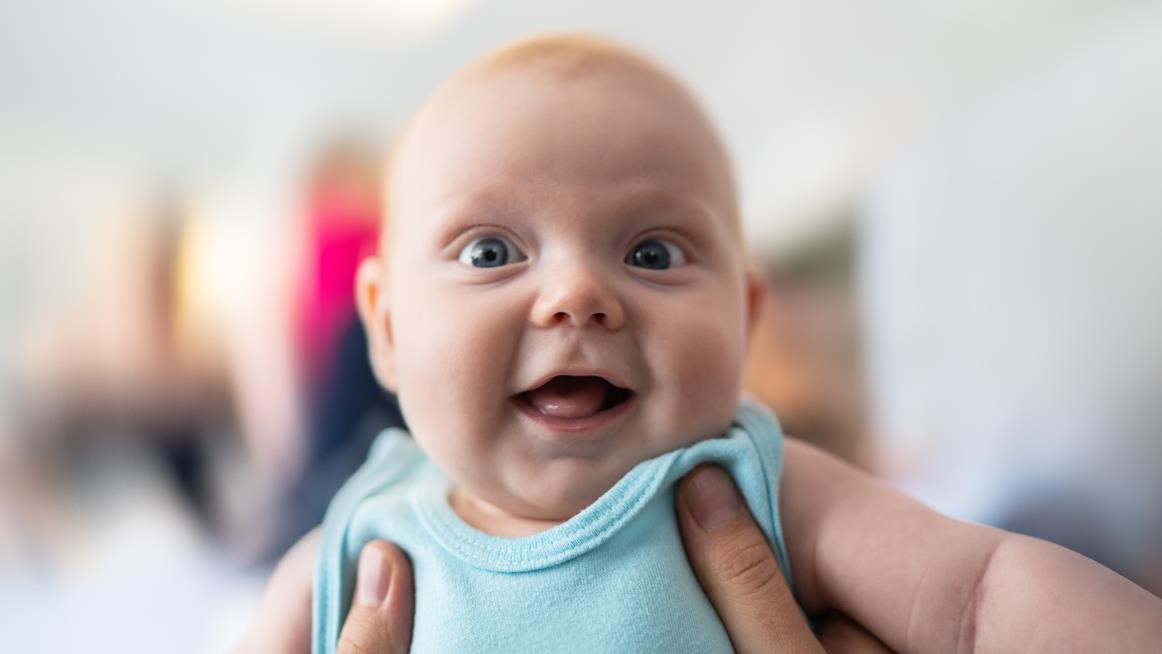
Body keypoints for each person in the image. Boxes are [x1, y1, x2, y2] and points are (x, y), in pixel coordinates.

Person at [243, 34, 1162, 652]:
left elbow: (976, 599)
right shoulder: (358, 542)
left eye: (651, 251)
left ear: (744, 317)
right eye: (492, 251)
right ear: (389, 328)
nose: (575, 296)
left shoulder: (757, 485)